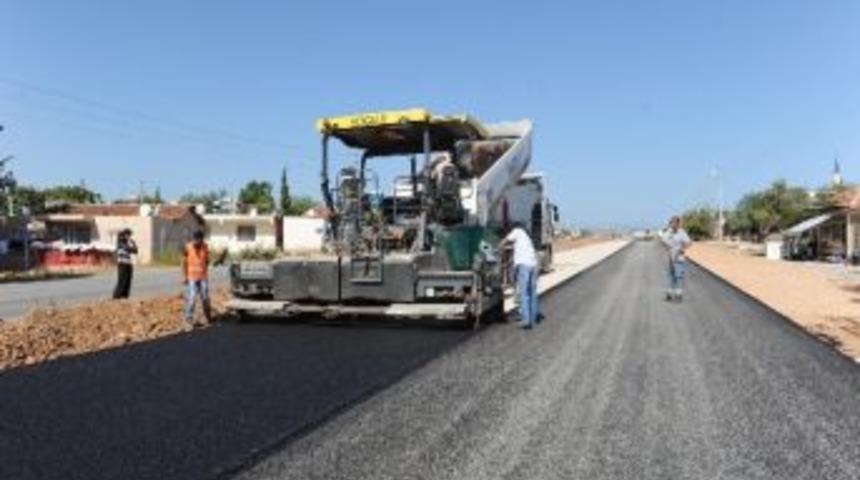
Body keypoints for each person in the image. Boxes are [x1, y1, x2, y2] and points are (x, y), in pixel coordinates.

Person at [502, 222, 540, 329]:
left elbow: (506, 240)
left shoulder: (517, 231)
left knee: (524, 293)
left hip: (524, 266)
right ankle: (534, 316)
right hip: (533, 265)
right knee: (532, 292)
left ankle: (526, 320)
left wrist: (498, 247)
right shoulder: (526, 237)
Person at [182, 230, 211, 327]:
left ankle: (208, 317)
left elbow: (207, 261)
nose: (195, 242)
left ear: (201, 240)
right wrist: (185, 276)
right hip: (191, 277)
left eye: (197, 240)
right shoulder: (188, 247)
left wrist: (204, 271)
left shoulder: (205, 247)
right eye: (194, 239)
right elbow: (184, 263)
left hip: (203, 277)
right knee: (192, 297)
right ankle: (188, 319)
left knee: (205, 297)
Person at [662, 216, 692, 302]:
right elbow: (664, 239)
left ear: (678, 224)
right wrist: (668, 231)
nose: (673, 224)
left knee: (678, 276)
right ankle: (670, 294)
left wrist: (682, 248)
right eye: (671, 223)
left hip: (679, 258)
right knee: (671, 276)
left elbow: (689, 242)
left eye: (674, 223)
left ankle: (678, 294)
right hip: (671, 258)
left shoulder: (682, 232)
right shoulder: (669, 232)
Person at [112, 229, 137, 299]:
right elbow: (128, 248)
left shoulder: (128, 242)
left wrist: (133, 243)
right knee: (122, 280)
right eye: (128, 235)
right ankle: (117, 296)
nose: (129, 236)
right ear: (124, 235)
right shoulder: (120, 242)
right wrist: (130, 245)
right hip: (122, 264)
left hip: (128, 263)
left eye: (130, 235)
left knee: (128, 280)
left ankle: (125, 296)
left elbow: (135, 251)